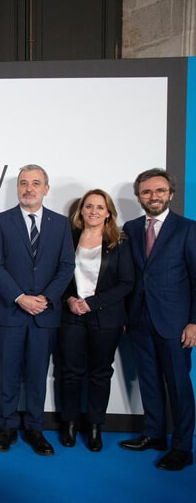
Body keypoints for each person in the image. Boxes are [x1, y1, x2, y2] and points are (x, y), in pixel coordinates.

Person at [0, 164, 74, 456]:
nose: (29, 188)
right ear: (17, 188)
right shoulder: (0, 222)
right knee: (7, 375)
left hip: (45, 315)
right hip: (10, 313)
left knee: (37, 376)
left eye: (36, 183)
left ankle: (35, 429)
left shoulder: (61, 225)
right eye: (23, 183)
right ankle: (6, 428)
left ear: (46, 189)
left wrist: (46, 298)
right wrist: (20, 297)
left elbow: (66, 266)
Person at [120, 168, 195, 471]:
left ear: (170, 194)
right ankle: (153, 434)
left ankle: (182, 446)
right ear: (139, 196)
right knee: (149, 382)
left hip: (176, 323)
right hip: (140, 320)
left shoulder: (188, 229)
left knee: (178, 385)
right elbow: (130, 276)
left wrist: (194, 321)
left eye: (159, 191)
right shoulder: (132, 227)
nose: (153, 196)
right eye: (147, 192)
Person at [58, 189, 133, 452]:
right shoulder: (68, 239)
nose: (93, 211)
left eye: (100, 207)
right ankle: (68, 423)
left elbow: (126, 283)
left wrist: (92, 303)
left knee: (100, 374)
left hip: (106, 318)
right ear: (80, 211)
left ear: (108, 213)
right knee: (69, 373)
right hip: (72, 316)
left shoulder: (120, 242)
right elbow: (60, 275)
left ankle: (94, 426)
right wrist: (69, 300)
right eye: (88, 206)